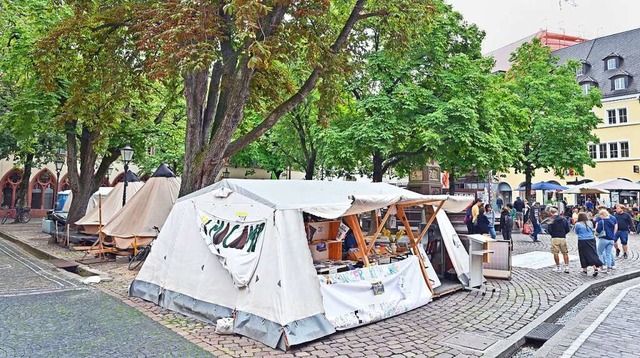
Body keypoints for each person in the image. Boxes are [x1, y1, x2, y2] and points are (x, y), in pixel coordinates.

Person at [574, 212, 603, 276]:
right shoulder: (590, 222)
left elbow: (576, 232)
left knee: (583, 254)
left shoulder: (578, 224)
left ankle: (585, 269)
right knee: (592, 253)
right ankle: (595, 268)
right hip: (591, 239)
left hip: (582, 240)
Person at [547, 207, 571, 273]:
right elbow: (568, 229)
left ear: (551, 213)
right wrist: (563, 233)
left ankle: (558, 267)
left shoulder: (551, 220)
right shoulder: (564, 219)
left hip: (554, 237)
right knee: (565, 253)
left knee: (555, 253)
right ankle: (566, 267)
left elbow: (549, 230)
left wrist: (552, 234)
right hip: (562, 237)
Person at [595, 209, 617, 274]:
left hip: (604, 238)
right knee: (608, 254)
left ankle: (601, 266)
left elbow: (598, 230)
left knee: (600, 252)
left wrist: (596, 233)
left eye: (600, 215)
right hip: (611, 239)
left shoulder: (601, 222)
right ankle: (609, 268)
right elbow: (615, 228)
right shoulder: (611, 221)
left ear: (602, 215)